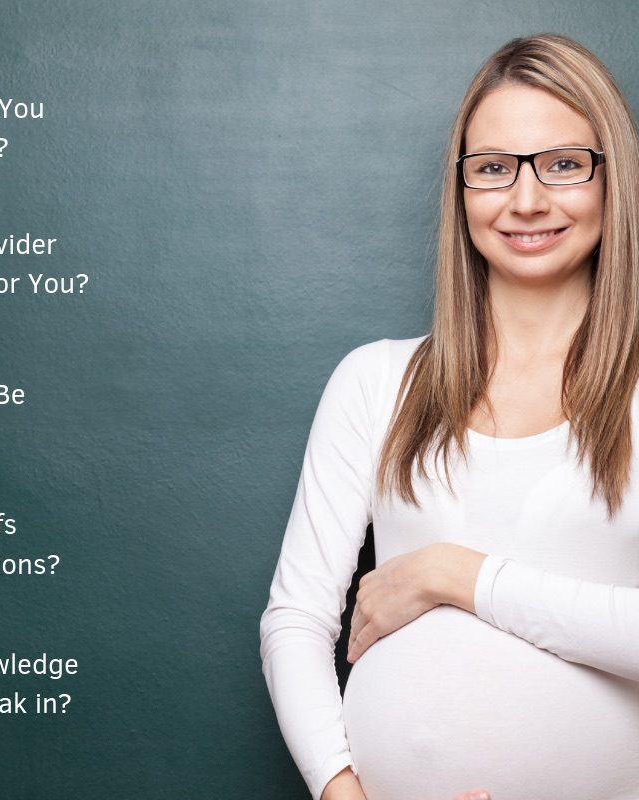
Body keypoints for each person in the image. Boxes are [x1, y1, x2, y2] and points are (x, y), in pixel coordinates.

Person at [259, 33, 639, 800]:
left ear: (614, 179)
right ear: (461, 188)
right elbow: (294, 622)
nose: (525, 200)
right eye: (493, 168)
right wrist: (343, 793)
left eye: (563, 164)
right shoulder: (376, 382)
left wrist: (454, 576)